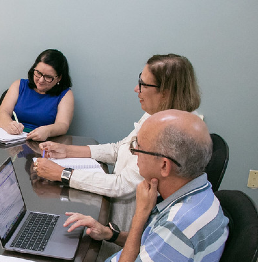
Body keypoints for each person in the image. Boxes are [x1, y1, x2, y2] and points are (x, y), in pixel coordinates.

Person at [58, 110, 228, 262]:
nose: (133, 152)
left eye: (139, 146)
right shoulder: (197, 192)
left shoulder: (179, 226)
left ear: (164, 166)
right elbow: (151, 247)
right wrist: (110, 233)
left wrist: (140, 215)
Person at [35, 53, 201, 198]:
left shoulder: (172, 134)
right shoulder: (155, 114)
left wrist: (61, 173)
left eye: (143, 84)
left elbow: (122, 186)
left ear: (165, 92)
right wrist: (67, 151)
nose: (137, 89)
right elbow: (119, 149)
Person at [0, 49, 74, 141]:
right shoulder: (19, 85)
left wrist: (47, 131)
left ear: (59, 78)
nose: (41, 80)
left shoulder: (65, 94)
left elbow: (63, 125)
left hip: (42, 144)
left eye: (48, 77)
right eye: (38, 73)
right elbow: (3, 112)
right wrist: (9, 124)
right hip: (12, 140)